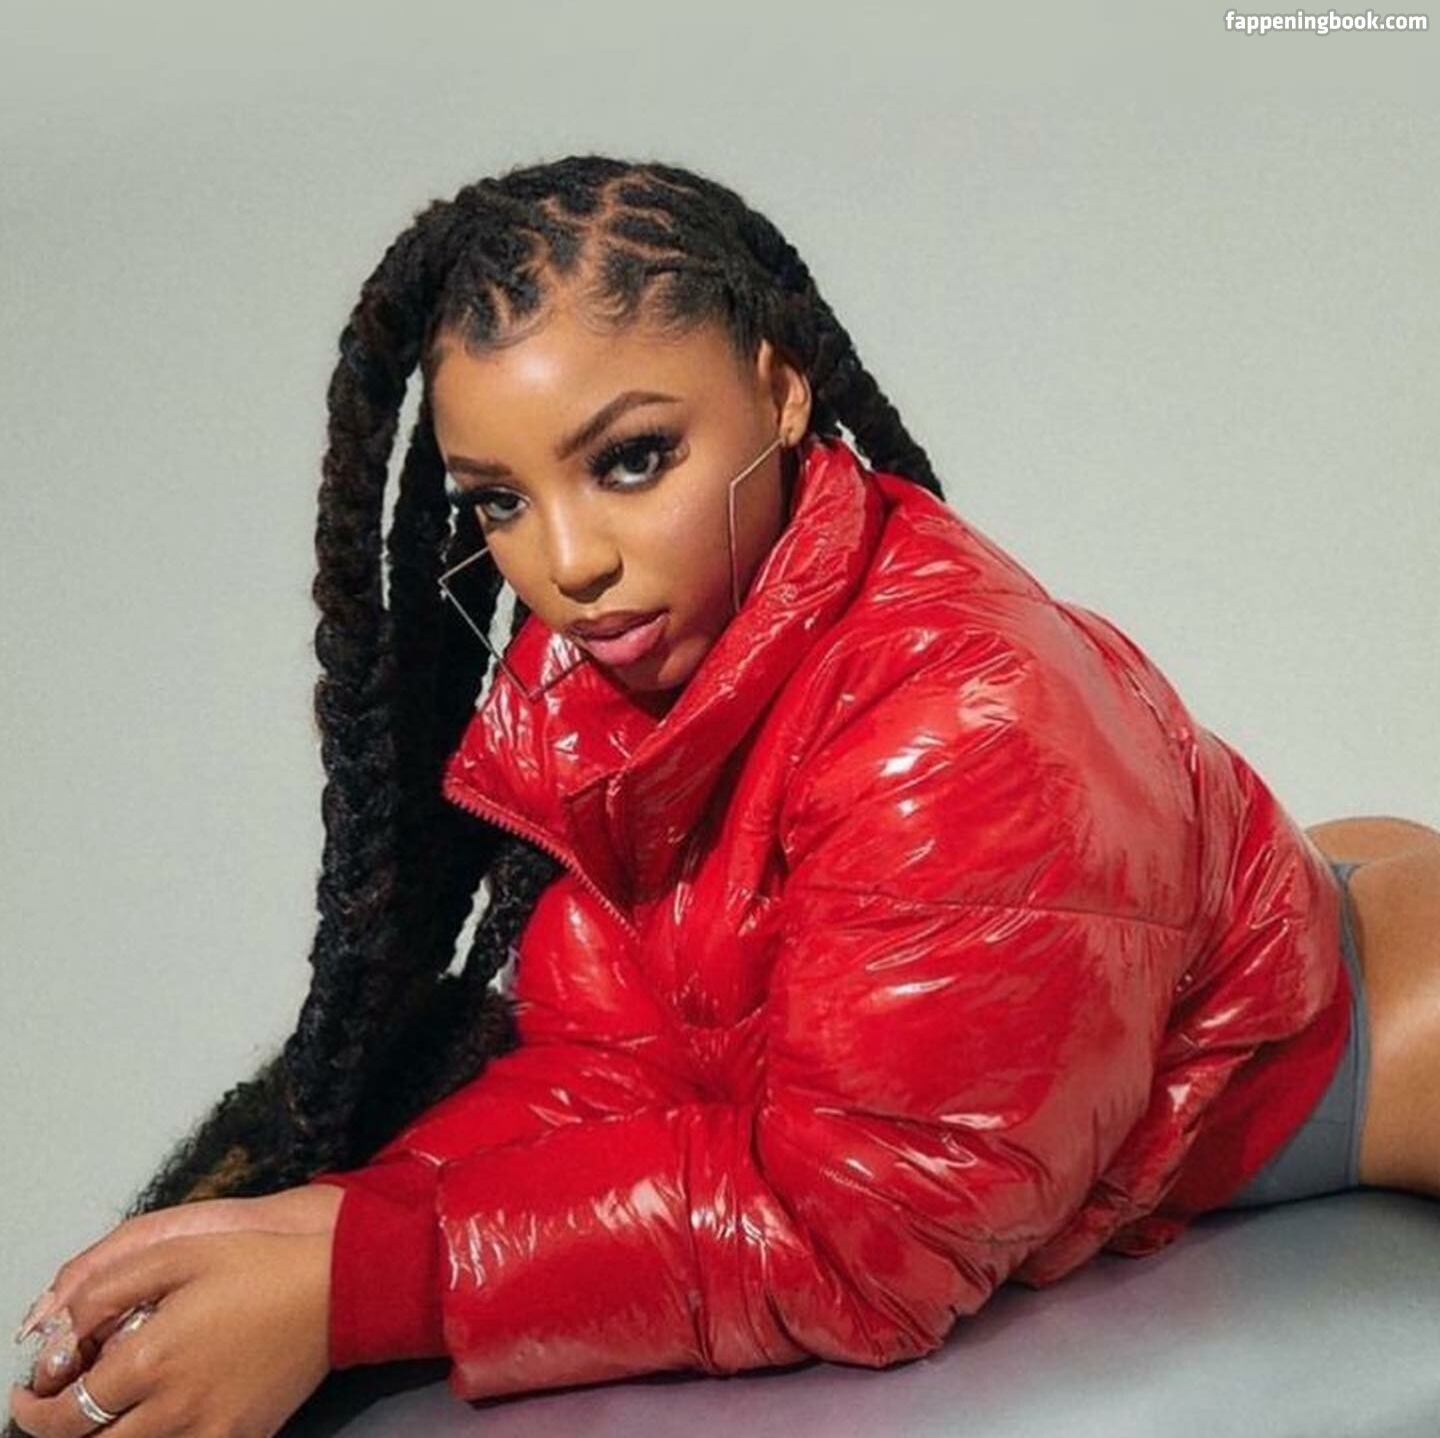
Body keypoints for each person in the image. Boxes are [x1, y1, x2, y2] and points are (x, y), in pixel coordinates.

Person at [9, 154, 1439, 1437]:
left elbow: (869, 1246)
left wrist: (364, 1287)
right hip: (1174, 929)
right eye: (500, 500)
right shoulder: (612, 691)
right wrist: (321, 1227)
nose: (570, 563)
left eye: (632, 461)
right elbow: (630, 1060)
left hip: (1374, 1056)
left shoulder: (955, 730)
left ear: (781, 387)